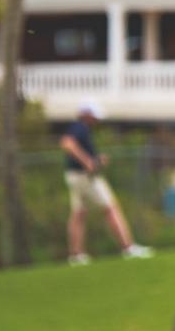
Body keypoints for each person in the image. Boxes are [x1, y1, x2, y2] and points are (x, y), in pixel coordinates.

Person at [60, 101, 152, 265]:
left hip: (75, 176)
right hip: (85, 177)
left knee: (79, 214)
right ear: (87, 114)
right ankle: (128, 247)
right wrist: (88, 161)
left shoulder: (82, 129)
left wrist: (96, 160)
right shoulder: (79, 127)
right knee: (110, 207)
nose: (96, 120)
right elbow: (67, 143)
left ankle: (76, 255)